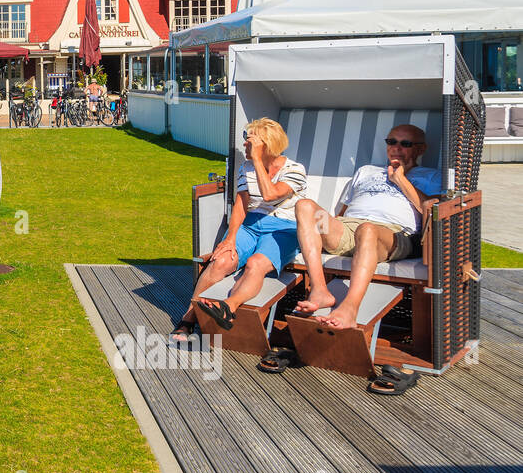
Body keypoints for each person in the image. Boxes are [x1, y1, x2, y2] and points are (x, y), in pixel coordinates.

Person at [171, 118, 308, 342]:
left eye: (249, 139)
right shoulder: (246, 168)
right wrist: (230, 238)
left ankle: (229, 307)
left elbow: (270, 195)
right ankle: (188, 318)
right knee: (222, 261)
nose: (244, 144)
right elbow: (242, 204)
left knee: (256, 264)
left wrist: (256, 159)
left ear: (266, 143)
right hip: (251, 223)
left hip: (284, 227)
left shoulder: (295, 169)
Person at [293, 123, 441, 330]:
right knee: (305, 206)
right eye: (391, 142)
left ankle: (350, 308)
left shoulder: (432, 176)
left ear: (421, 149)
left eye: (405, 143)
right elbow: (343, 213)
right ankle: (320, 290)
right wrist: (328, 228)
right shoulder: (366, 170)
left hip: (393, 234)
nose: (396, 147)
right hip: (349, 228)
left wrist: (401, 180)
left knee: (367, 229)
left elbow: (431, 211)